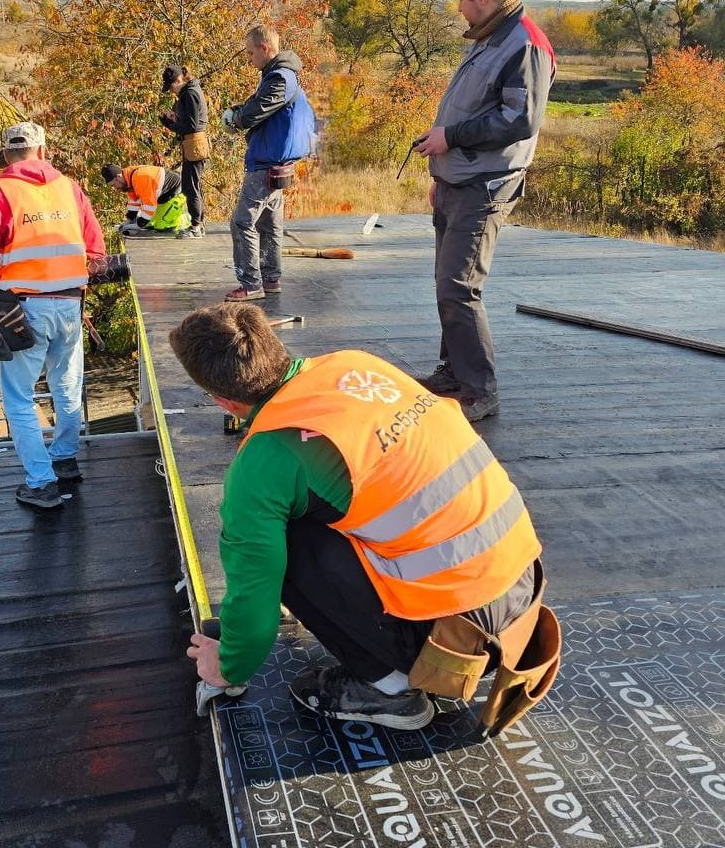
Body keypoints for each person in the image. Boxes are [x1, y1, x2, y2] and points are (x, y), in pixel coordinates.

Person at [171, 303, 559, 733]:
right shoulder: (354, 366)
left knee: (285, 543)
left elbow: (254, 584)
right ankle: (394, 653)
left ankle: (388, 687)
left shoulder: (265, 461)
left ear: (222, 400)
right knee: (323, 505)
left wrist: (226, 667)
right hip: (522, 600)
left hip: (455, 642)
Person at [415, 0, 556, 423]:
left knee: (459, 284)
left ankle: (479, 389)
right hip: (457, 180)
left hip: (486, 185)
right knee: (445, 283)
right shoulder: (492, 37)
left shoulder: (525, 43)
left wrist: (449, 138)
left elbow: (519, 119)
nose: (458, 6)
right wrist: (443, 171)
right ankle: (453, 373)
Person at [0, 121, 105, 510]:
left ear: (5, 155)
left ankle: (42, 483)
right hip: (69, 306)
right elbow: (95, 249)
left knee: (17, 397)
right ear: (43, 152)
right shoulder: (69, 188)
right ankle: (63, 460)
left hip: (22, 309)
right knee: (66, 385)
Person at [222, 25, 315, 301]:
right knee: (268, 224)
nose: (249, 59)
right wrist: (241, 111)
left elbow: (258, 109)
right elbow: (259, 104)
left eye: (251, 53)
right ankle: (271, 279)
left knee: (241, 222)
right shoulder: (281, 75)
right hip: (276, 162)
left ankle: (251, 284)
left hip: (266, 163)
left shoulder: (279, 78)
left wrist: (235, 120)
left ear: (264, 48)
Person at [159, 63, 210, 240]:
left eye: (172, 86)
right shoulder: (190, 92)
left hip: (194, 143)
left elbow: (191, 125)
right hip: (192, 143)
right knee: (193, 184)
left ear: (179, 80)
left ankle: (196, 225)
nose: (172, 91)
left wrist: (171, 124)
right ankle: (199, 223)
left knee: (190, 186)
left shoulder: (189, 94)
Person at [100, 162, 189, 235]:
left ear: (118, 177)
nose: (115, 189)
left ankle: (185, 222)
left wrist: (139, 224)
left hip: (175, 194)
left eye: (113, 185)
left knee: (163, 226)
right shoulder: (129, 177)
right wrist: (130, 219)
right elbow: (134, 200)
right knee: (151, 225)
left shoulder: (140, 178)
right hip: (163, 197)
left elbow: (149, 204)